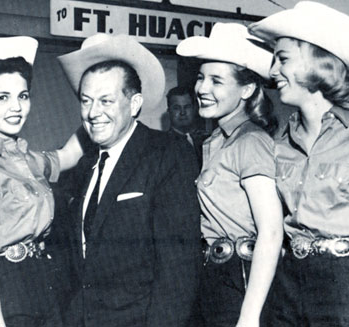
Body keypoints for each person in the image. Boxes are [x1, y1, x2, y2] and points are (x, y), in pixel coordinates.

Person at [249, 2, 349, 326]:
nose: (272, 72)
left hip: (345, 282)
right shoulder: (280, 141)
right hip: (287, 278)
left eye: (283, 58)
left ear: (318, 62)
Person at [56, 33, 201, 327]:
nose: (93, 113)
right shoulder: (83, 165)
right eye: (86, 101)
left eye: (106, 101)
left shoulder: (167, 154)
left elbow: (178, 267)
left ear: (134, 104)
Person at [0, 36, 83, 327]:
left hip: (43, 281)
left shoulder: (25, 159)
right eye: (2, 97)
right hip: (8, 288)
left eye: (23, 96)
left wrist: (98, 111)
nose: (16, 107)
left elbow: (70, 154)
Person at [177, 23, 283, 327]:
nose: (202, 89)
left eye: (217, 81)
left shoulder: (250, 141)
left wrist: (249, 317)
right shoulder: (215, 141)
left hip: (242, 278)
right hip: (215, 275)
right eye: (200, 78)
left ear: (247, 90)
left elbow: (271, 232)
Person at [165, 85, 209, 167]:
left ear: (194, 109)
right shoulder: (162, 146)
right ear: (169, 111)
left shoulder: (209, 140)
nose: (182, 112)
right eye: (176, 108)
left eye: (187, 107)